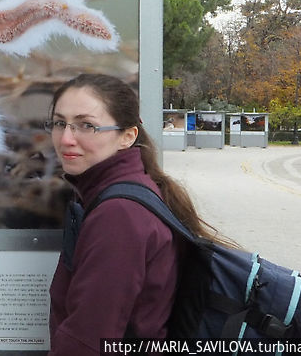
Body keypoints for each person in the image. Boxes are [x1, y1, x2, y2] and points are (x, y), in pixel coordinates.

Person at [46, 74, 222, 355]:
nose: (66, 138)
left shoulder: (119, 215)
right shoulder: (123, 192)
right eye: (59, 123)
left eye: (86, 125)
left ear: (127, 136)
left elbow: (88, 341)